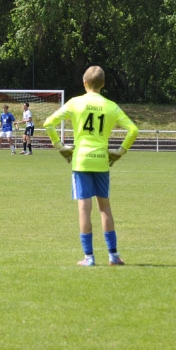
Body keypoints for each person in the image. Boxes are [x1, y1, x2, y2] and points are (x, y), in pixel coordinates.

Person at [44, 65, 139, 266]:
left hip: (81, 160)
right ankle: (113, 256)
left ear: (84, 82)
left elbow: (48, 123)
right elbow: (133, 130)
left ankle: (89, 257)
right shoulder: (111, 106)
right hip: (102, 160)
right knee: (105, 208)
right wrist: (120, 151)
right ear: (103, 84)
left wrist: (60, 146)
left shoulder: (75, 103)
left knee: (84, 209)